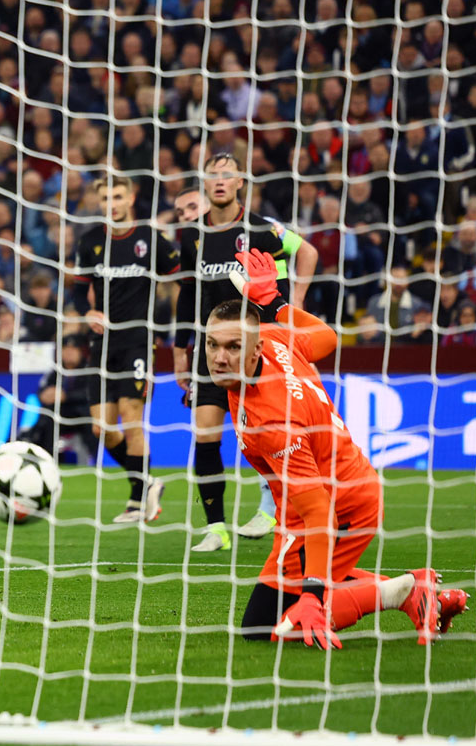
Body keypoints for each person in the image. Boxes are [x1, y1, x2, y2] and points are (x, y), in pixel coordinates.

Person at [205, 249, 468, 647]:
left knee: (264, 627)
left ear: (254, 350)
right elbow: (327, 338)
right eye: (212, 345)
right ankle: (412, 589)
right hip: (314, 497)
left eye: (232, 347)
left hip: (339, 503)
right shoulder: (275, 338)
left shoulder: (274, 421)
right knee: (279, 604)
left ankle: (409, 592)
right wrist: (273, 303)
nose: (219, 358)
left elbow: (319, 510)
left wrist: (312, 596)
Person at [174, 153, 316, 552]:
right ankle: (215, 528)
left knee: (264, 431)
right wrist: (179, 351)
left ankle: (271, 508)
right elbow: (188, 294)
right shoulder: (190, 236)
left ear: (240, 182)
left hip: (257, 349)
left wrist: (297, 304)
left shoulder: (259, 228)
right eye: (213, 175)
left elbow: (306, 251)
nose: (220, 181)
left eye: (228, 175)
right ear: (204, 183)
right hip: (213, 351)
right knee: (205, 435)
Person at [72, 176, 171, 522]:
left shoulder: (149, 239)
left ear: (130, 198)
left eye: (117, 196)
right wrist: (87, 311)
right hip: (102, 343)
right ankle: (146, 483)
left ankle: (137, 499)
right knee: (101, 428)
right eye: (104, 198)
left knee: (132, 419)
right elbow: (76, 287)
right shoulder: (90, 242)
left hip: (138, 341)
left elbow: (179, 274)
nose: (111, 204)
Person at [23, 333, 98, 464]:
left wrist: (65, 396)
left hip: (83, 414)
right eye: (65, 349)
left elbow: (90, 393)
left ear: (80, 352)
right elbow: (42, 389)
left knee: (91, 424)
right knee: (47, 418)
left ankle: (97, 460)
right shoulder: (55, 371)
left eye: (73, 349)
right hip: (61, 414)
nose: (69, 353)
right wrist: (44, 394)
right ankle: (48, 459)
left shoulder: (89, 369)